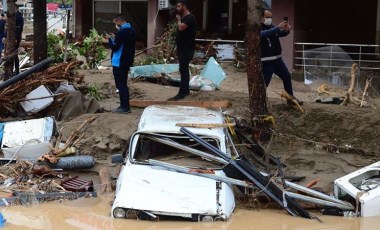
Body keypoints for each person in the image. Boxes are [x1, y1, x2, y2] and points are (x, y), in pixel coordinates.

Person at [260, 10, 303, 105]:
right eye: (267, 17)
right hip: (267, 62)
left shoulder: (272, 27)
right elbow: (264, 34)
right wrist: (277, 27)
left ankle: (290, 99)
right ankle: (259, 102)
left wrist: (287, 30)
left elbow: (281, 33)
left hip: (278, 60)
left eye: (271, 17)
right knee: (264, 83)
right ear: (261, 17)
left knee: (286, 77)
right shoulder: (258, 28)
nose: (269, 19)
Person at [106, 14, 136, 114]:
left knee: (121, 85)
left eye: (115, 23)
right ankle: (124, 105)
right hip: (127, 61)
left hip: (119, 62)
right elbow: (125, 44)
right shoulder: (132, 31)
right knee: (124, 84)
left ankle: (125, 107)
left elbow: (115, 47)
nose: (116, 25)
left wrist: (109, 39)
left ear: (118, 22)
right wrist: (115, 38)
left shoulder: (122, 33)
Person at [168, 0, 196, 101]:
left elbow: (181, 28)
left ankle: (182, 92)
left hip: (186, 49)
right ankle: (186, 90)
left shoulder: (190, 18)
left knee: (183, 70)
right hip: (182, 49)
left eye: (179, 6)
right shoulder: (185, 18)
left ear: (184, 6)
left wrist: (179, 20)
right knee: (183, 69)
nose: (177, 8)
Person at [15, 5, 24, 75]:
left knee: (14, 54)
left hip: (16, 38)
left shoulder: (19, 17)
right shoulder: (14, 16)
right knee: (13, 54)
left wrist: (16, 38)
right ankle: (15, 70)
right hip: (13, 38)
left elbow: (19, 29)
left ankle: (17, 70)